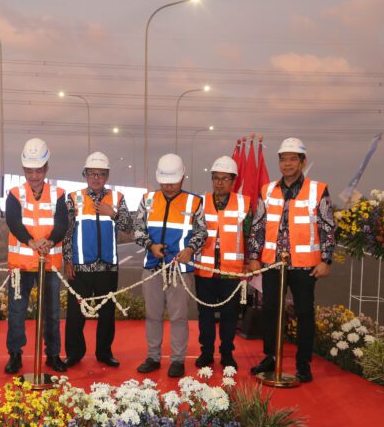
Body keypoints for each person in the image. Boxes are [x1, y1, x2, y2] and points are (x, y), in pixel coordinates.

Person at [248, 137, 335, 383]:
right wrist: (253, 256)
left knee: (304, 313)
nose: (287, 164)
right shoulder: (267, 190)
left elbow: (328, 226)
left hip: (305, 266)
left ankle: (303, 364)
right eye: (283, 159)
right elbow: (258, 225)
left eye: (292, 159)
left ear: (302, 162)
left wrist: (326, 260)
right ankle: (270, 357)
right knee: (270, 311)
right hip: (273, 264)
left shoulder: (318, 190)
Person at [134, 154, 206, 378]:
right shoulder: (147, 199)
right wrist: (150, 246)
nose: (168, 186)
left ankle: (177, 360)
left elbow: (202, 232)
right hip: (152, 268)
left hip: (180, 271)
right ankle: (153, 357)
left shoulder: (194, 202)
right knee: (153, 316)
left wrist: (190, 249)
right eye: (164, 182)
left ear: (182, 177)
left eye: (173, 182)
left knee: (178, 318)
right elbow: (138, 229)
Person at [62, 152, 132, 368]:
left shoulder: (117, 198)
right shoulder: (73, 198)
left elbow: (129, 227)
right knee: (75, 313)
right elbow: (67, 233)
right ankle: (74, 353)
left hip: (107, 268)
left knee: (107, 314)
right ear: (85, 175)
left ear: (107, 176)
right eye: (92, 173)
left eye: (100, 174)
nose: (96, 178)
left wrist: (113, 213)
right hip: (80, 268)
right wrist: (68, 260)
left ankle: (104, 352)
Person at [4, 138, 68, 374]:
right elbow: (13, 221)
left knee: (52, 312)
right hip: (20, 265)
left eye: (38, 170)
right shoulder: (15, 194)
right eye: (29, 171)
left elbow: (62, 223)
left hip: (49, 263)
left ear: (46, 168)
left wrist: (50, 241)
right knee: (16, 312)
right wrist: (31, 241)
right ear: (23, 169)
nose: (34, 176)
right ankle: (15, 354)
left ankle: (53, 354)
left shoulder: (58, 194)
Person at [193, 156, 250, 371]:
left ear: (233, 181)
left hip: (231, 272)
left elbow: (249, 235)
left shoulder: (244, 203)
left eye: (224, 179)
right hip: (205, 271)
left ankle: (227, 353)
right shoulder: (201, 202)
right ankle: (206, 352)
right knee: (205, 315)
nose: (219, 183)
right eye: (215, 178)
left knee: (229, 315)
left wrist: (250, 261)